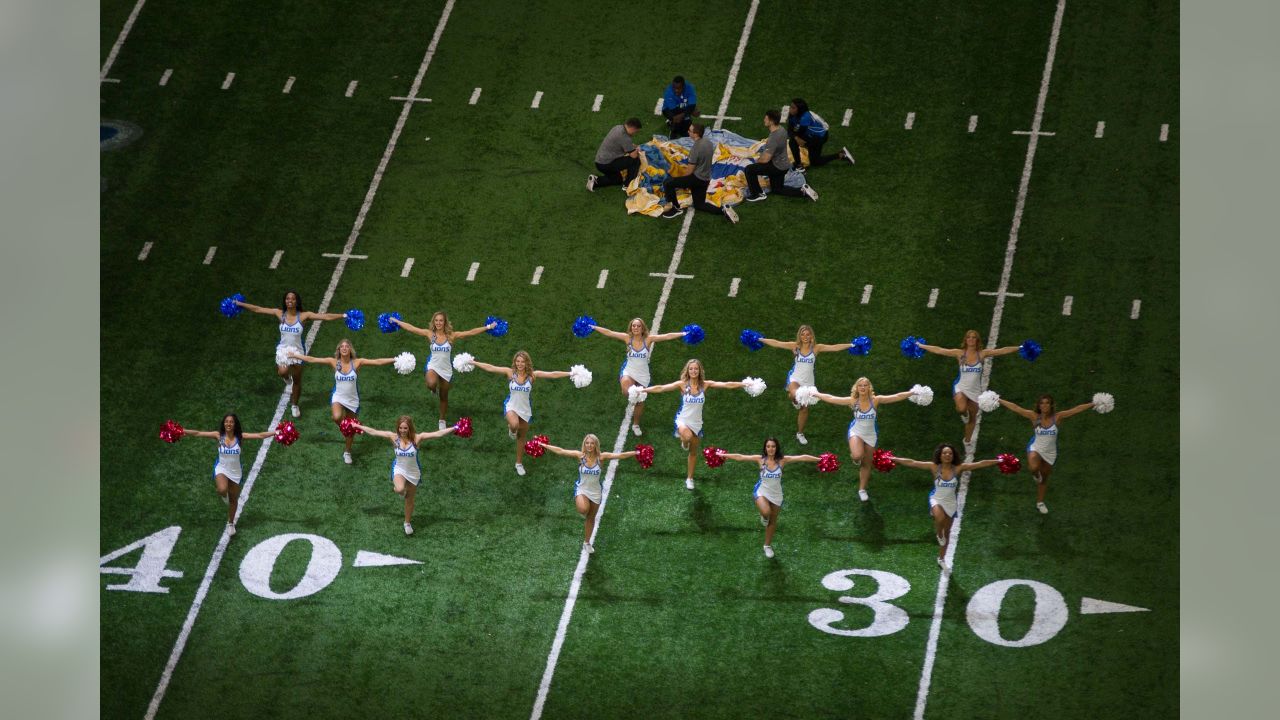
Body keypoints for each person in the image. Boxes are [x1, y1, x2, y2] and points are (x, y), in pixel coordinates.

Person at [234, 291, 348, 418]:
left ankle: (294, 405)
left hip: (297, 351)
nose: (290, 300)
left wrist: (343, 315)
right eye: (287, 298)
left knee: (297, 380)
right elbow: (258, 309)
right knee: (282, 372)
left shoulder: (304, 316)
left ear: (296, 301)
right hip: (283, 349)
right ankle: (286, 377)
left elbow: (325, 317)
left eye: (293, 299)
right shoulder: (280, 313)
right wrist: (240, 304)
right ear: (285, 301)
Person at [287, 339, 397, 465]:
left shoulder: (357, 363)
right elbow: (313, 359)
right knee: (337, 417)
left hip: (353, 399)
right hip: (338, 396)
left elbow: (377, 362)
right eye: (342, 347)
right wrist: (295, 355)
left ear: (350, 350)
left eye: (347, 346)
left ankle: (347, 452)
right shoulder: (334, 362)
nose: (344, 348)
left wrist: (394, 359)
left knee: (350, 428)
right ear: (339, 350)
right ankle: (345, 428)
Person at [892, 444, 1002, 568]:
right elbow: (912, 462)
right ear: (940, 455)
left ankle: (941, 558)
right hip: (936, 499)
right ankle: (938, 534)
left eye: (950, 453)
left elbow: (980, 464)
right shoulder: (934, 467)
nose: (947, 455)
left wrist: (998, 461)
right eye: (945, 453)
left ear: (953, 456)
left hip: (950, 503)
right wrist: (894, 459)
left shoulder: (958, 468)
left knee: (948, 532)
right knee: (940, 519)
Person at [644, 359, 746, 490]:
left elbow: (726, 385)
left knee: (693, 452)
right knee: (687, 436)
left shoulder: (705, 385)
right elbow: (662, 388)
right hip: (682, 420)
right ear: (687, 371)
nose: (693, 371)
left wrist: (744, 384)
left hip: (697, 423)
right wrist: (643, 390)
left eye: (696, 369)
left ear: (699, 371)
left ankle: (690, 478)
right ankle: (684, 441)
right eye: (691, 369)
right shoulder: (682, 385)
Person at [814, 377, 917, 502]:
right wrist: (816, 394)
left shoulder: (876, 400)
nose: (863, 387)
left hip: (871, 434)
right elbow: (832, 398)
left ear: (869, 388)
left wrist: (912, 392)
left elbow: (896, 396)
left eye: (865, 385)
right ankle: (855, 458)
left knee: (867, 464)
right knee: (858, 455)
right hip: (856, 431)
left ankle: (862, 489)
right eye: (860, 385)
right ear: (856, 388)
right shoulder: (853, 401)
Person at [472, 351, 573, 476]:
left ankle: (518, 463)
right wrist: (473, 362)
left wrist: (570, 373)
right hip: (511, 406)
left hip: (525, 410)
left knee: (521, 438)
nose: (519, 364)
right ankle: (511, 429)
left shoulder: (532, 376)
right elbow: (490, 367)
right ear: (515, 362)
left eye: (522, 361)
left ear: (526, 363)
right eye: (517, 361)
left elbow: (552, 374)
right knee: (514, 424)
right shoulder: (510, 373)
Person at [353, 415, 458, 536]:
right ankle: (398, 488)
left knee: (410, 500)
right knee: (400, 489)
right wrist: (357, 426)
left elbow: (438, 434)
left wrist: (455, 427)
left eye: (405, 428)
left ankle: (407, 523)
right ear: (398, 428)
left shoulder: (417, 438)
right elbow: (374, 432)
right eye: (401, 428)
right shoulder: (393, 437)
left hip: (413, 472)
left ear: (410, 428)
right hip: (399, 469)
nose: (402, 430)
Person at [391, 312, 496, 429]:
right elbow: (412, 328)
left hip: (446, 369)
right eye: (436, 320)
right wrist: (397, 322)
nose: (438, 323)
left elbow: (470, 332)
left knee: (444, 396)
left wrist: (488, 327)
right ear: (433, 322)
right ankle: (433, 389)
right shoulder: (430, 334)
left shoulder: (451, 336)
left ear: (445, 322)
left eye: (441, 320)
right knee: (431, 383)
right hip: (433, 365)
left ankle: (442, 419)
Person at [538, 434, 640, 554]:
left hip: (596, 492)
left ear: (596, 445)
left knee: (591, 518)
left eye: (592, 443)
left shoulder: (601, 457)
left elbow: (620, 455)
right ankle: (582, 505)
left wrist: (637, 453)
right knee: (583, 509)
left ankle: (587, 543)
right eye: (587, 443)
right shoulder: (580, 456)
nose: (589, 445)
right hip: (582, 489)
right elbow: (561, 451)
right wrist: (544, 445)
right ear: (584, 444)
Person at [756, 325, 857, 445]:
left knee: (804, 409)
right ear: (799, 336)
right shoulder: (795, 346)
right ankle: (794, 399)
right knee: (795, 394)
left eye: (808, 334)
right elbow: (777, 343)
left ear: (811, 336)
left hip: (808, 382)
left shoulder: (816, 348)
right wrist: (760, 340)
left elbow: (834, 347)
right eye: (803, 334)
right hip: (795, 378)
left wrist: (851, 345)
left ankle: (800, 433)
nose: (805, 337)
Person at [916, 331, 1023, 444]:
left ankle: (967, 441)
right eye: (969, 337)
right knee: (962, 409)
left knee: (972, 418)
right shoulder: (959, 353)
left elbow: (1001, 351)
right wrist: (921, 346)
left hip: (975, 390)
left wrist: (1019, 347)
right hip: (960, 387)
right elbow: (940, 350)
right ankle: (964, 414)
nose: (971, 339)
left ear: (977, 340)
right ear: (965, 340)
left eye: (974, 337)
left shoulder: (982, 354)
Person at [996, 394, 1096, 514]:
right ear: (1038, 405)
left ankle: (1040, 502)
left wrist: (1094, 403)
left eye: (1047, 403)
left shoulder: (1057, 417)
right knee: (1033, 467)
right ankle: (1035, 474)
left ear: (1051, 405)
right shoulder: (1034, 416)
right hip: (1035, 447)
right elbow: (1016, 408)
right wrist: (998, 400)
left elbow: (1076, 409)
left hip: (1050, 452)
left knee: (1044, 479)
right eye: (1042, 403)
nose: (1044, 405)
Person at [721, 438, 820, 558]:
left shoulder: (782, 460)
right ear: (765, 448)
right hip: (762, 491)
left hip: (777, 495)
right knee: (766, 512)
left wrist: (820, 459)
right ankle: (763, 516)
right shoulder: (760, 459)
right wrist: (723, 455)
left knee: (772, 521)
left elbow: (802, 457)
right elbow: (740, 457)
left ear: (776, 448)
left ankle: (767, 546)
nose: (771, 449)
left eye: (773, 446)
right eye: (768, 446)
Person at [588, 318, 687, 436]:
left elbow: (666, 336)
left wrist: (683, 333)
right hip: (629, 371)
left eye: (638, 326)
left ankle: (635, 424)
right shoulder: (627, 338)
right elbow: (609, 332)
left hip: (643, 374)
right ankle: (632, 398)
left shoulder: (648, 339)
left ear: (642, 328)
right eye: (633, 326)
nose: (635, 328)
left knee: (640, 401)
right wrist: (593, 327)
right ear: (631, 328)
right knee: (626, 391)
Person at [184, 414, 276, 537]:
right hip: (221, 468)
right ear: (224, 424)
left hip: (235, 472)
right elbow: (198, 433)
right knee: (222, 489)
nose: (228, 424)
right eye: (226, 422)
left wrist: (275, 432)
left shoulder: (240, 437)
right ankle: (223, 495)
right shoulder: (219, 436)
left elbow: (260, 435)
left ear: (235, 424)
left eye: (231, 422)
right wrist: (183, 431)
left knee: (233, 500)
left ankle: (231, 523)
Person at [660, 123, 739, 223]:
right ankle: (722, 210)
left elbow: (689, 171)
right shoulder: (708, 142)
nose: (688, 132)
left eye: (690, 131)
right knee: (699, 204)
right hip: (705, 178)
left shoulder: (695, 148)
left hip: (695, 178)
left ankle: (675, 209)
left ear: (696, 134)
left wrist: (680, 180)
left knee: (668, 183)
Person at [743, 109, 818, 203]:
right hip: (784, 165)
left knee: (749, 169)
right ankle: (803, 192)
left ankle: (757, 194)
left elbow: (765, 159)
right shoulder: (781, 129)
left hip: (776, 167)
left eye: (766, 118)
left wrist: (758, 160)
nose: (764, 120)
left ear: (771, 121)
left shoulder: (773, 138)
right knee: (777, 189)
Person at [786, 98, 854, 170]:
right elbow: (790, 129)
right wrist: (796, 137)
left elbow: (798, 132)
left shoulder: (805, 117)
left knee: (815, 161)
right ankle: (798, 165)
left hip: (818, 137)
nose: (790, 109)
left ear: (799, 109)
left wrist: (796, 137)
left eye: (793, 108)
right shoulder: (793, 114)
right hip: (809, 134)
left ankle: (840, 155)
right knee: (793, 141)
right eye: (791, 107)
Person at [587, 118, 643, 192]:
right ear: (633, 128)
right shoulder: (625, 138)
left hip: (599, 162)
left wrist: (632, 147)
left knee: (617, 180)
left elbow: (621, 143)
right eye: (636, 131)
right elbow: (633, 155)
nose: (635, 133)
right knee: (635, 160)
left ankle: (595, 181)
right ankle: (628, 185)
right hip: (607, 164)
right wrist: (637, 149)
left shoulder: (617, 127)